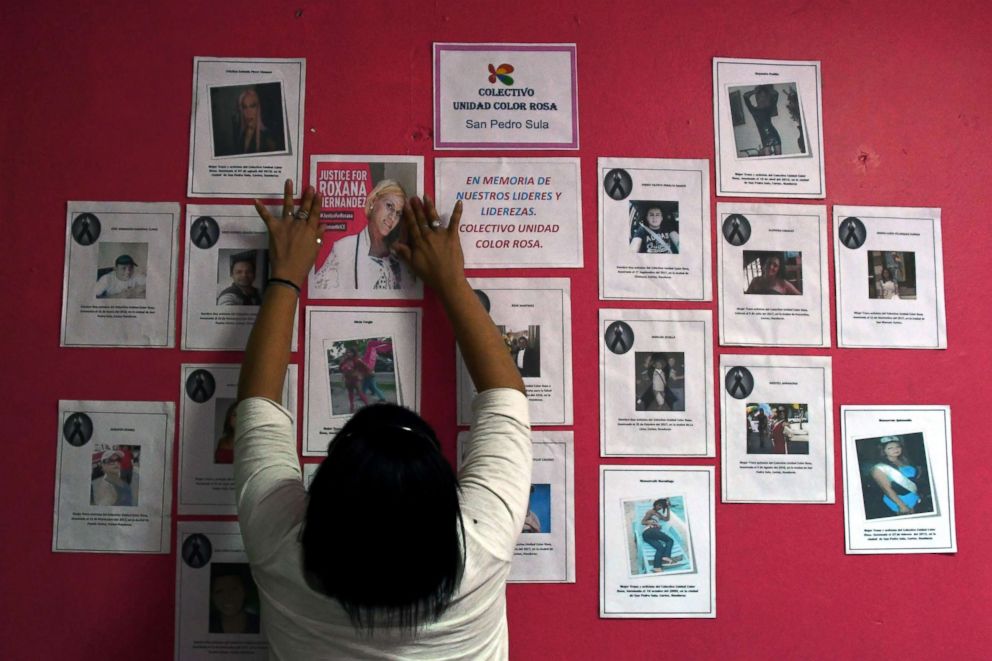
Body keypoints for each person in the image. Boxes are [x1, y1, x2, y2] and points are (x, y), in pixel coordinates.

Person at [234, 180, 530, 657]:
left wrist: (285, 276)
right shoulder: (481, 549)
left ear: (317, 502)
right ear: (450, 509)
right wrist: (452, 281)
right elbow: (506, 396)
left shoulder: (282, 548)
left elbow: (255, 409)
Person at [313, 179, 410, 291]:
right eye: (389, 206)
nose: (392, 217)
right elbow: (319, 293)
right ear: (373, 201)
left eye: (398, 213)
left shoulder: (397, 256)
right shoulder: (343, 248)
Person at [869, 437, 923, 517]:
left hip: (914, 497)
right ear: (883, 451)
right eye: (890, 448)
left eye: (898, 446)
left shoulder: (904, 460)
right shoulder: (879, 468)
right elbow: (886, 489)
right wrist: (902, 506)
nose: (895, 449)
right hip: (899, 502)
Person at [209, 566, 261, 634]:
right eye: (219, 591)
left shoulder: (260, 624)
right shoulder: (205, 623)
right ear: (212, 596)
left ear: (245, 591)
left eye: (234, 589)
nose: (228, 597)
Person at [233, 87, 280, 155]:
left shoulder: (268, 138)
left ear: (258, 109)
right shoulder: (240, 134)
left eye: (252, 106)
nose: (248, 112)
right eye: (244, 107)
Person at [743, 85, 782, 156]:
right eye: (761, 96)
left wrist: (766, 89)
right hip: (764, 138)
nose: (762, 99)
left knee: (779, 157)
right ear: (757, 98)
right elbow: (745, 96)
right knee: (768, 161)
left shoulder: (769, 108)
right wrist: (755, 91)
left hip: (774, 135)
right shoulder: (753, 110)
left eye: (764, 97)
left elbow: (776, 94)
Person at [640, 499, 675, 573]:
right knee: (670, 540)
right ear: (655, 504)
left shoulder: (659, 515)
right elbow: (642, 522)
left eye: (661, 507)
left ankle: (657, 567)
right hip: (650, 530)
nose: (660, 507)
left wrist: (668, 508)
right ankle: (666, 557)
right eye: (659, 505)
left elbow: (667, 519)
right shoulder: (650, 512)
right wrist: (652, 522)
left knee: (660, 548)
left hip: (647, 536)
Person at [335, 347, 370, 413]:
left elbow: (367, 369)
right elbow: (341, 369)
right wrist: (342, 368)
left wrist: (361, 375)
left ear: (354, 353)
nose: (349, 353)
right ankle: (352, 407)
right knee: (350, 393)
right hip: (348, 380)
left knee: (360, 393)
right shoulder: (345, 361)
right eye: (348, 352)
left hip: (355, 380)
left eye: (350, 352)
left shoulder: (357, 360)